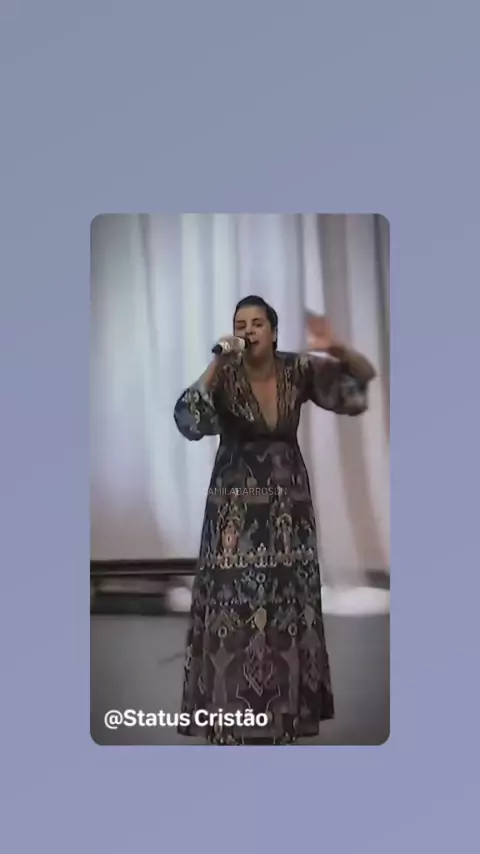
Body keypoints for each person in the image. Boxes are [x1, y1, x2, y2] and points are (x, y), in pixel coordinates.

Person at [173, 295, 376, 744]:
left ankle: (281, 717)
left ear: (274, 331)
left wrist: (337, 348)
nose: (248, 330)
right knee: (232, 607)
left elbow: (359, 386)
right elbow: (189, 420)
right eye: (240, 324)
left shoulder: (297, 369)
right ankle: (229, 717)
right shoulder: (225, 375)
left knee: (285, 608)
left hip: (288, 507)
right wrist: (215, 362)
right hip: (234, 508)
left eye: (257, 323)